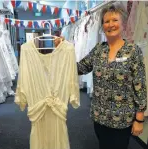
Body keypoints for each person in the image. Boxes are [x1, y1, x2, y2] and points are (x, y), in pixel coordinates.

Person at [58, 4, 147, 149]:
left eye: (114, 20)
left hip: (122, 119)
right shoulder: (99, 49)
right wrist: (63, 50)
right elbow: (80, 67)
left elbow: (140, 87)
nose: (110, 24)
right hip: (99, 116)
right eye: (106, 21)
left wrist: (139, 119)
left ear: (123, 23)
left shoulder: (133, 51)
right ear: (102, 26)